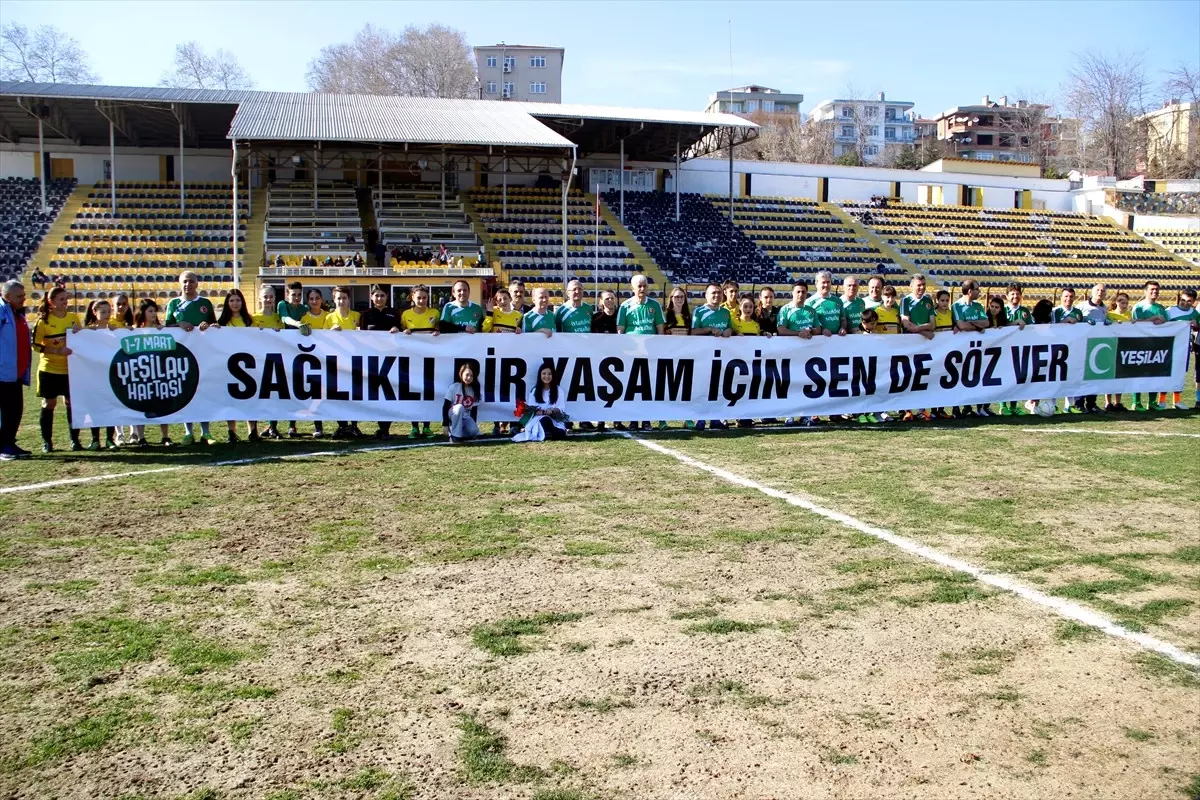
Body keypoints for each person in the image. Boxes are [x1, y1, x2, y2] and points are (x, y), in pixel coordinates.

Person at [163, 272, 218, 446]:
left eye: (191, 281)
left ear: (197, 283)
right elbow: (166, 327)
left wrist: (206, 326)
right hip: (182, 356)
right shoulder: (173, 303)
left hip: (203, 354)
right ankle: (188, 432)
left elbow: (214, 326)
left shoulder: (205, 303)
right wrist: (178, 324)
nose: (188, 284)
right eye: (185, 281)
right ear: (180, 284)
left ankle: (206, 432)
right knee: (186, 391)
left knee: (204, 390)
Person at [31, 285, 83, 452]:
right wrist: (57, 350)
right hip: (49, 369)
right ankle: (47, 442)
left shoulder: (74, 318)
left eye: (66, 299)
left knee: (71, 404)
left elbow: (83, 342)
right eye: (61, 299)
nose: (65, 302)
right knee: (49, 404)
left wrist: (79, 333)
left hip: (70, 370)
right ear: (51, 302)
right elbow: (36, 346)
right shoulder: (43, 322)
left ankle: (75, 440)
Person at [616, 275, 664, 431]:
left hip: (649, 353)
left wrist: (658, 350)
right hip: (631, 354)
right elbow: (620, 332)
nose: (642, 289)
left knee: (647, 388)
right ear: (632, 288)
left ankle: (646, 420)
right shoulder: (625, 306)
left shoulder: (655, 305)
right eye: (639, 286)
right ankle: (633, 420)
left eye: (645, 286)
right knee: (632, 388)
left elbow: (660, 331)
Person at [691, 283, 734, 431]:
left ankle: (715, 418)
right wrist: (709, 329)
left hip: (722, 356)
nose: (716, 295)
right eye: (713, 293)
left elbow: (730, 328)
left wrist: (729, 330)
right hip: (703, 355)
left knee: (718, 387)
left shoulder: (726, 312)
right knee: (702, 387)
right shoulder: (699, 311)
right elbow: (693, 332)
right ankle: (700, 418)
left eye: (718, 293)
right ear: (706, 295)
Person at [323, 286, 363, 438]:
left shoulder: (357, 316)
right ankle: (342, 426)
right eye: (338, 298)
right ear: (334, 300)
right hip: (336, 362)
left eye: (344, 298)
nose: (341, 301)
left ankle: (354, 425)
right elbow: (323, 340)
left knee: (354, 395)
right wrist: (331, 333)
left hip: (354, 361)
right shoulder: (329, 318)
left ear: (349, 299)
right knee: (338, 396)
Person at [402, 284, 441, 439]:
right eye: (419, 297)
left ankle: (426, 427)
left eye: (424, 297)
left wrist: (438, 332)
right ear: (412, 297)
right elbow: (399, 334)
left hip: (430, 359)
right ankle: (414, 427)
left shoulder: (435, 313)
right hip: (412, 360)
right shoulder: (405, 314)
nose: (422, 300)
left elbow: (439, 331)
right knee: (413, 394)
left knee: (428, 393)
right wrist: (403, 333)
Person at [0, 280, 32, 461]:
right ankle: (3, 446)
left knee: (15, 411)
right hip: (3, 372)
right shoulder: (1, 311)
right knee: (6, 411)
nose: (24, 298)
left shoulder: (17, 313)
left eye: (24, 295)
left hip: (15, 373)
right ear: (7, 296)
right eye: (19, 296)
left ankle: (9, 442)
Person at [81, 299, 119, 451]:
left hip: (110, 374)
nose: (106, 315)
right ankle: (95, 439)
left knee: (110, 407)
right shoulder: (88, 331)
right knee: (94, 407)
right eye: (103, 312)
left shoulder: (115, 330)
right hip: (93, 376)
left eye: (108, 311)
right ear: (94, 312)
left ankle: (110, 439)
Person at [130, 299, 169, 447]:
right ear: (143, 313)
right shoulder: (133, 330)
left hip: (159, 374)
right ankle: (141, 437)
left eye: (155, 311)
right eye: (150, 311)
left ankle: (165, 436)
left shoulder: (160, 329)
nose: (153, 314)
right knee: (141, 406)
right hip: (141, 374)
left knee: (162, 404)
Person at [952, 280, 991, 418]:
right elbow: (961, 325)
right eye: (977, 289)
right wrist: (977, 327)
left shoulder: (978, 306)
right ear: (969, 291)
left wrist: (972, 324)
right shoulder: (956, 306)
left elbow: (986, 322)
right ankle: (956, 408)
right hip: (959, 349)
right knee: (958, 377)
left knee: (973, 376)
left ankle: (968, 407)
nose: (979, 292)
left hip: (976, 349)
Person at [732, 294, 768, 428]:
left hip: (751, 363)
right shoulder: (734, 322)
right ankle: (734, 415)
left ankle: (746, 416)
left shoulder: (756, 325)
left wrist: (765, 335)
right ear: (740, 307)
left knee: (749, 389)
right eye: (745, 306)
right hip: (736, 362)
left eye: (751, 307)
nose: (748, 309)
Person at [1130, 281, 1168, 412]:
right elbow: (1137, 323)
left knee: (1155, 373)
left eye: (1157, 289)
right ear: (1145, 291)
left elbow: (1167, 324)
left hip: (1157, 345)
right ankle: (1136, 402)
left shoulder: (1161, 307)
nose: (1155, 292)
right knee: (1139, 373)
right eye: (1152, 289)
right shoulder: (1138, 307)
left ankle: (1152, 402)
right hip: (1141, 345)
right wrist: (1154, 318)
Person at [1161, 288, 1198, 411]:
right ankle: (1161, 400)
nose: (1185, 303)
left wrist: (1195, 324)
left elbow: (1198, 328)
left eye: (1189, 301)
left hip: (1184, 347)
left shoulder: (1194, 313)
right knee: (1165, 371)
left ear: (1193, 302)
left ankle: (1177, 400)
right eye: (1183, 299)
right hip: (1169, 345)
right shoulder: (1170, 311)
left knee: (1180, 372)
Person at [1000, 284, 1033, 416]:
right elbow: (998, 326)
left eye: (1017, 293)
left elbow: (1032, 328)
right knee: (1004, 377)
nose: (1015, 296)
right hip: (1004, 349)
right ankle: (1003, 406)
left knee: (1016, 378)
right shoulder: (1002, 310)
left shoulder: (1025, 311)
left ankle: (1013, 406)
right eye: (1012, 294)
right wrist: (1014, 324)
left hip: (1020, 349)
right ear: (1007, 296)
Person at [512, 364, 568, 442]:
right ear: (540, 375)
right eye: (544, 374)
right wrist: (538, 412)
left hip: (554, 419)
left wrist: (552, 410)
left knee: (560, 433)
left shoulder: (559, 390)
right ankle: (545, 431)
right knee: (545, 420)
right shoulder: (535, 390)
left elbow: (561, 408)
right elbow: (531, 408)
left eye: (549, 374)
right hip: (539, 419)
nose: (547, 376)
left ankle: (549, 431)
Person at [443, 363, 480, 443]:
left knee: (474, 431)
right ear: (461, 374)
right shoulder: (454, 387)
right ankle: (455, 437)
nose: (469, 378)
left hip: (465, 416)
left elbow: (474, 410)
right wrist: (445, 424)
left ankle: (454, 432)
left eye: (471, 375)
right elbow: (445, 406)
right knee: (459, 407)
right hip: (453, 414)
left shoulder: (474, 390)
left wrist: (473, 425)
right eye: (467, 375)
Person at [806, 271, 845, 338]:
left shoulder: (838, 300)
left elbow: (843, 319)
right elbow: (808, 323)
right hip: (819, 340)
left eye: (828, 282)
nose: (826, 285)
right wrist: (822, 330)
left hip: (838, 339)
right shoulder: (809, 302)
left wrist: (842, 328)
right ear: (816, 284)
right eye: (823, 282)